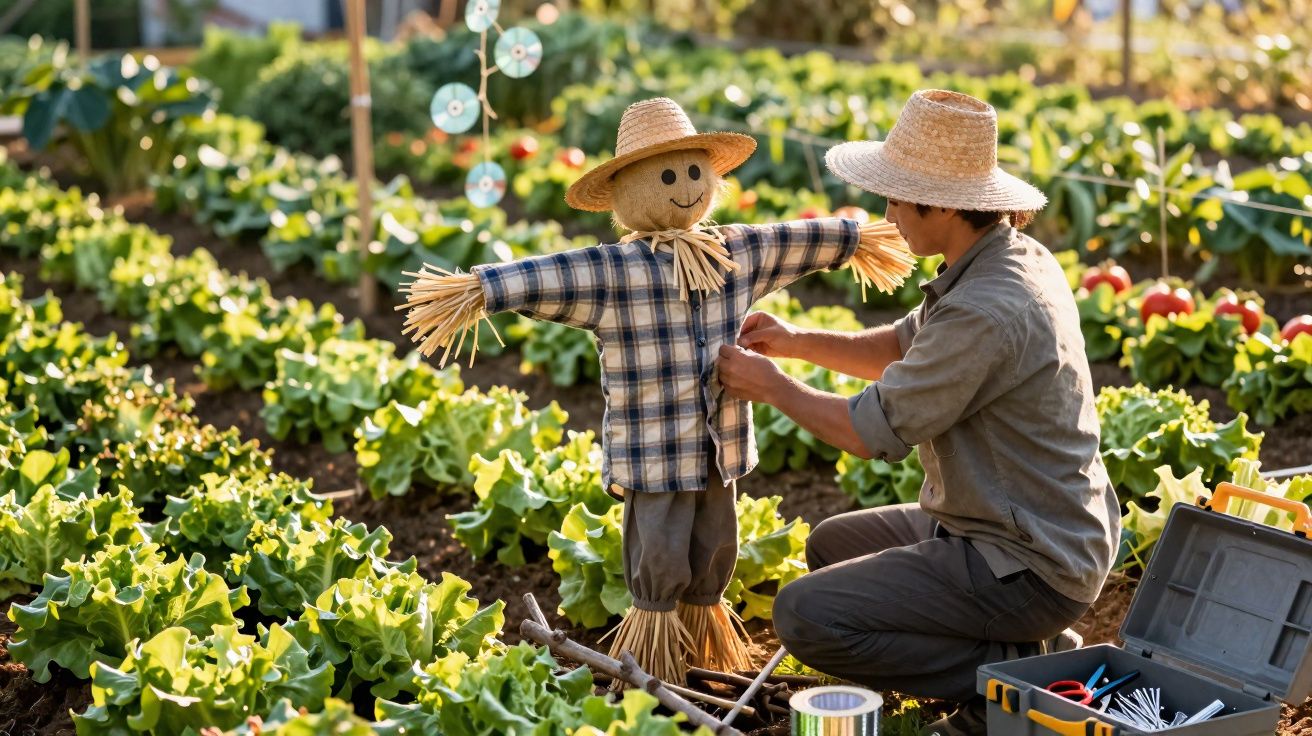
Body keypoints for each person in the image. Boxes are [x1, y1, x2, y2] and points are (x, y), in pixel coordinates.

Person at [716, 89, 1120, 736]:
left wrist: (774, 387)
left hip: (1029, 562)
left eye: (899, 198)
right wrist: (795, 341)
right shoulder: (999, 258)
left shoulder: (986, 309)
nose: (888, 213)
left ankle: (1014, 678)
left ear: (946, 204)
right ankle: (1025, 651)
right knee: (829, 546)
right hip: (1019, 523)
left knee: (804, 616)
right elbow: (900, 347)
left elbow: (865, 432)